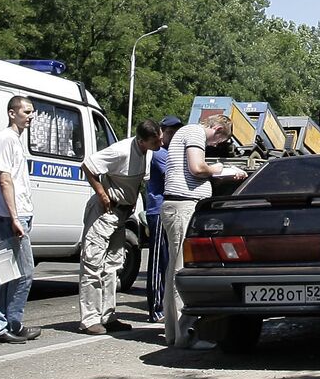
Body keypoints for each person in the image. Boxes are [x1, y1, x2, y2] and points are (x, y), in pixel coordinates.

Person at [161, 114, 242, 348]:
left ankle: (174, 333)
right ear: (216, 128)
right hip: (183, 206)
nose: (215, 145)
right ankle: (185, 335)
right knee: (183, 270)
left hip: (176, 205)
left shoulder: (185, 133)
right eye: (219, 140)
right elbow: (197, 167)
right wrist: (218, 169)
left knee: (174, 270)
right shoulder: (195, 132)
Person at [78, 119, 161, 334]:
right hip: (105, 212)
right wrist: (102, 194)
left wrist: (133, 200)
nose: (159, 143)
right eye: (155, 141)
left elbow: (136, 181)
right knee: (93, 263)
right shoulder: (121, 151)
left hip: (122, 213)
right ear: (142, 140)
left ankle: (108, 315)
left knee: (113, 264)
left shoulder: (148, 153)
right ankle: (90, 319)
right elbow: (88, 165)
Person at [0, 95, 41, 344]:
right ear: (11, 113)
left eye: (31, 112)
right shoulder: (6, 139)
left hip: (16, 214)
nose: (30, 117)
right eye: (26, 112)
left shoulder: (14, 140)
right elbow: (4, 179)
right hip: (10, 217)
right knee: (23, 273)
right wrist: (15, 217)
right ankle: (8, 323)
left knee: (8, 272)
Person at [145, 115, 183, 323]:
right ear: (162, 132)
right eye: (169, 132)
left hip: (167, 211)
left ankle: (165, 306)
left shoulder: (169, 153)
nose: (173, 135)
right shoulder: (160, 153)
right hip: (158, 211)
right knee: (159, 262)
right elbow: (174, 175)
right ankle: (156, 308)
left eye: (176, 132)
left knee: (169, 261)